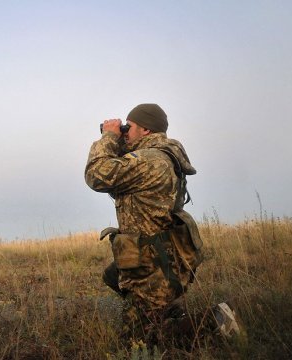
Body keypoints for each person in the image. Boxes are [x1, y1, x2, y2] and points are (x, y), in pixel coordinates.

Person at [84, 103, 238, 345]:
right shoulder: (160, 156)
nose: (125, 132)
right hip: (158, 256)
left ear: (145, 130)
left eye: (129, 127)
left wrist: (108, 137)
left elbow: (97, 175)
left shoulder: (151, 160)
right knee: (113, 275)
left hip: (152, 263)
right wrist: (119, 140)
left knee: (140, 341)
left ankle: (215, 321)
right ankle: (168, 311)